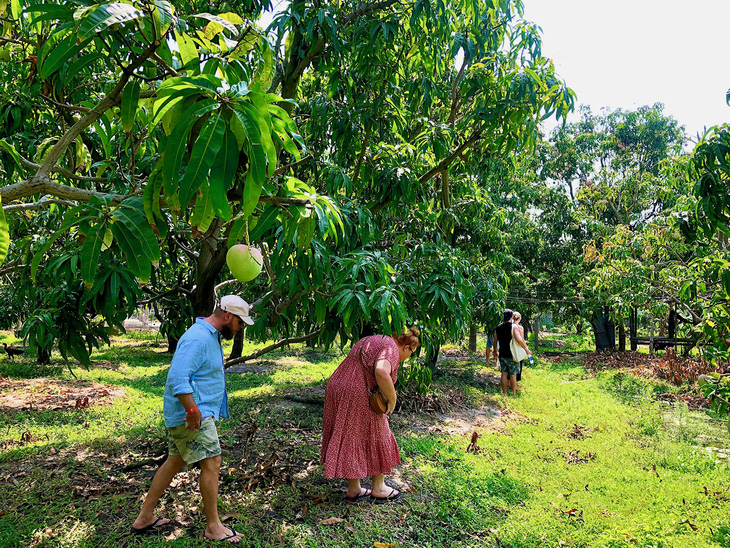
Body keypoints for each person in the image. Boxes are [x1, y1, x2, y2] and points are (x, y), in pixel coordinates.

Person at [130, 295, 254, 542]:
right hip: (192, 415)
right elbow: (177, 379)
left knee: (174, 461)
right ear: (228, 316)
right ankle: (213, 527)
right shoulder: (198, 338)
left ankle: (144, 517)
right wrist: (192, 411)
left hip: (191, 413)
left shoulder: (208, 335)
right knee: (212, 461)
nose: (240, 329)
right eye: (241, 323)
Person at [321, 327, 420, 504]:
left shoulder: (376, 339)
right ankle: (379, 488)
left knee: (350, 434)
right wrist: (392, 398)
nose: (408, 357)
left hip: (337, 386)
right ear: (406, 348)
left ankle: (354, 488)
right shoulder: (390, 347)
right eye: (411, 353)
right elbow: (381, 371)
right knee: (379, 433)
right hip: (356, 392)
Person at [494, 309, 526, 396]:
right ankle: (513, 393)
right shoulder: (513, 327)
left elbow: (495, 340)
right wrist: (526, 348)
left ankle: (504, 393)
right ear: (511, 317)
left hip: (502, 354)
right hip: (512, 354)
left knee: (504, 374)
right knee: (513, 374)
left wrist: (495, 351)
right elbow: (519, 339)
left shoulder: (498, 327)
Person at [510, 312, 532, 382]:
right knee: (518, 366)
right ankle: (514, 384)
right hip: (518, 348)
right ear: (519, 319)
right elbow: (521, 339)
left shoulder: (509, 326)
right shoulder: (519, 327)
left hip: (509, 348)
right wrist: (526, 348)